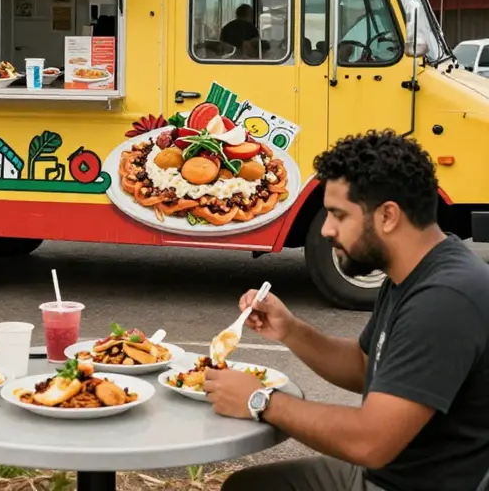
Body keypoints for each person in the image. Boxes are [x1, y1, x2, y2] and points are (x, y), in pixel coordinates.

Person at [204, 129, 489, 491]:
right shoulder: (414, 270)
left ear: (388, 216)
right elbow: (364, 366)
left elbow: (371, 442)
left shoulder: (444, 299)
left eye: (338, 215)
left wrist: (260, 401)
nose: (326, 230)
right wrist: (290, 329)